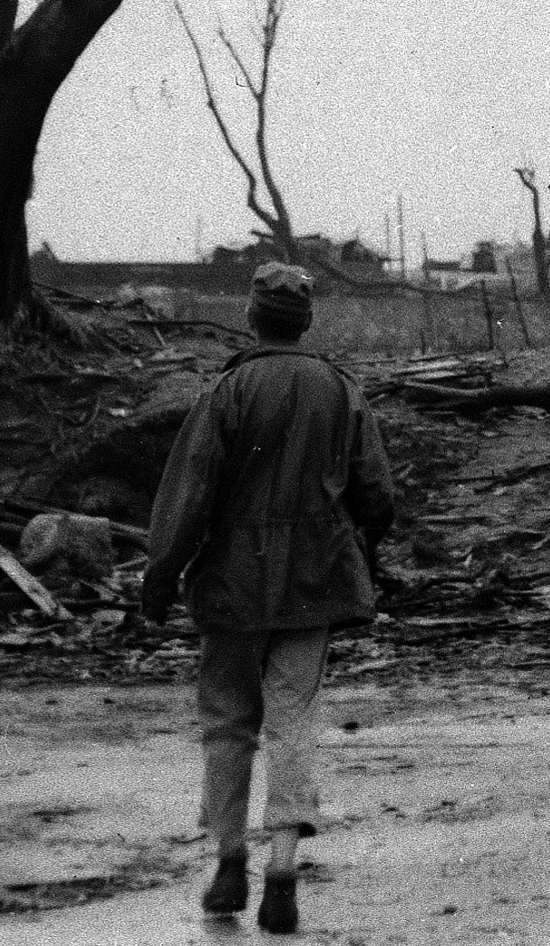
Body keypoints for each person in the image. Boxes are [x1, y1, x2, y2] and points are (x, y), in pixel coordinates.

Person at [144, 261, 396, 934]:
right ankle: (281, 876)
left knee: (228, 722)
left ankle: (229, 861)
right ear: (306, 322)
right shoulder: (341, 388)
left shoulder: (227, 389)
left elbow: (189, 493)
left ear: (252, 319)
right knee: (294, 720)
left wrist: (160, 576)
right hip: (313, 584)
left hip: (231, 584)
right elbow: (377, 491)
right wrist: (364, 544)